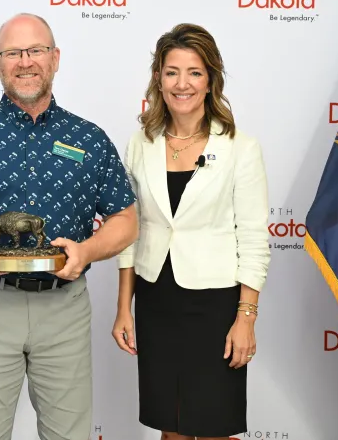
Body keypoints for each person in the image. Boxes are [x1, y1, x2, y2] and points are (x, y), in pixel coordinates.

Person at [0, 13, 139, 440]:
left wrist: (87, 252)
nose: (25, 61)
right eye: (13, 53)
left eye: (35, 51)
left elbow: (125, 219)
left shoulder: (88, 138)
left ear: (55, 59)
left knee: (69, 434)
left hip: (65, 307)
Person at [112, 23, 271, 440]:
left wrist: (246, 317)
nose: (182, 83)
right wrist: (124, 307)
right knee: (172, 426)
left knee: (217, 426)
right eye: (171, 72)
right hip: (156, 300)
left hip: (216, 306)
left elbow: (254, 239)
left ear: (210, 80)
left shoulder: (240, 146)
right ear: (159, 80)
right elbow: (129, 230)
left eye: (194, 73)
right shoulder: (140, 142)